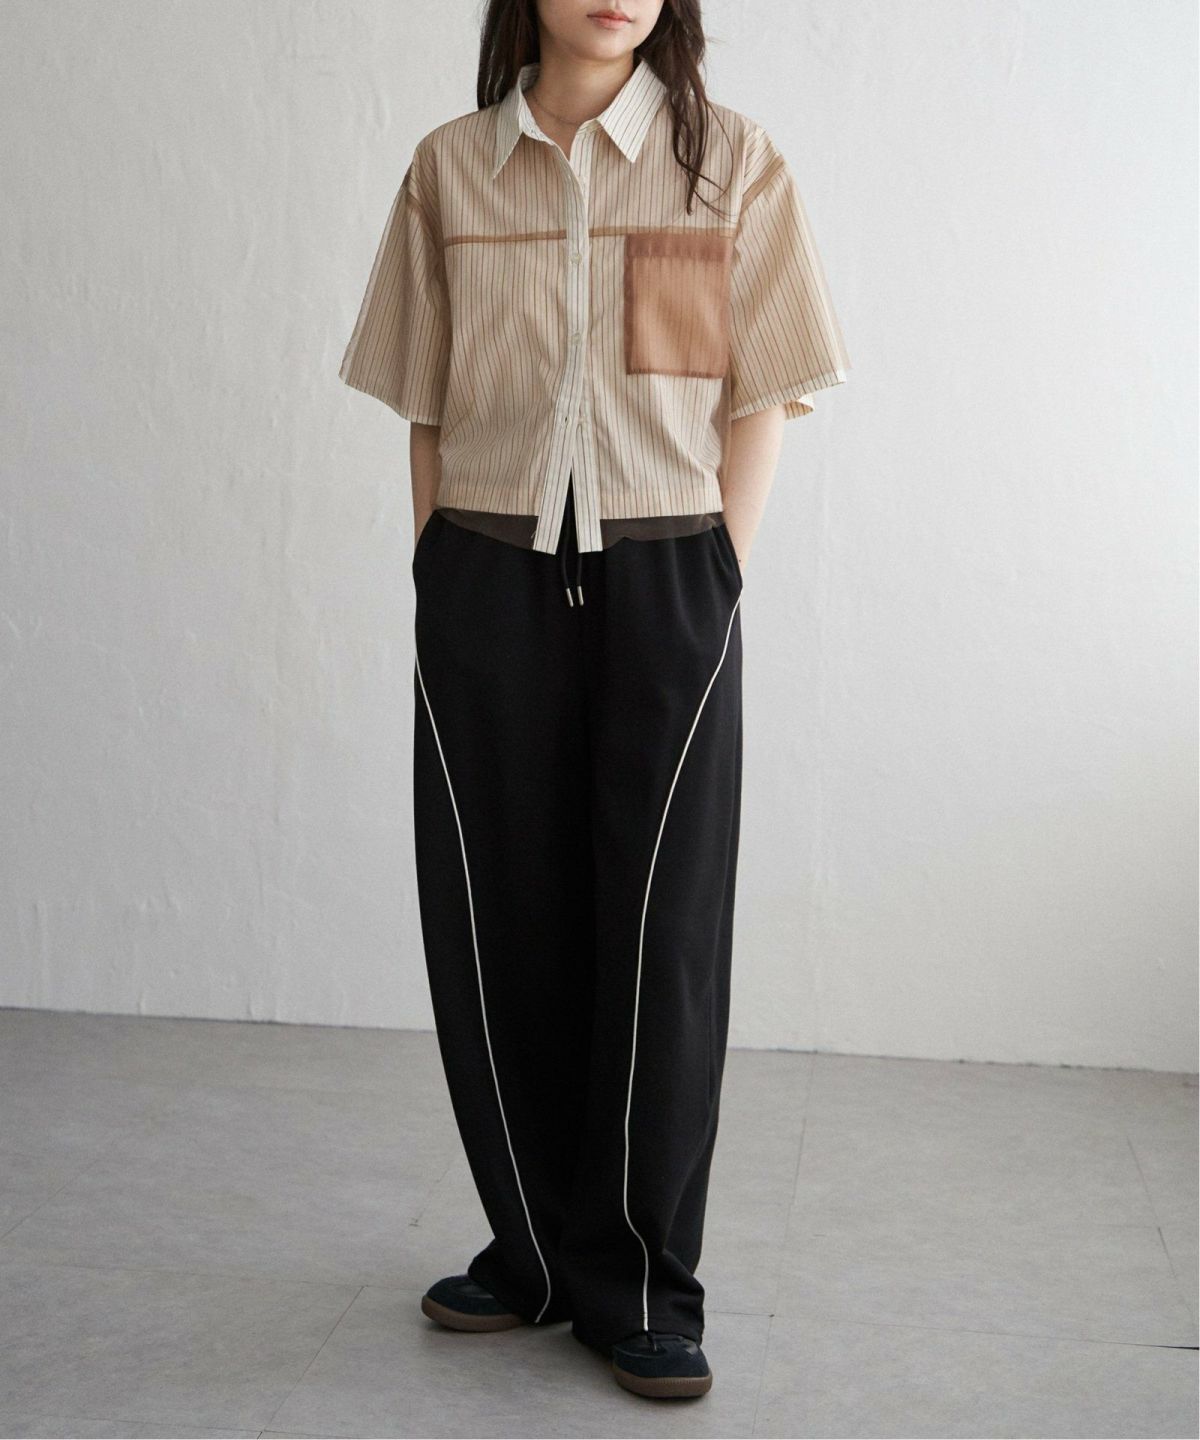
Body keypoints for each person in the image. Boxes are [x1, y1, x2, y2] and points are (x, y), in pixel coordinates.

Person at [338, 0, 850, 1401]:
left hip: (668, 567)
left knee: (660, 930)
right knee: (500, 911)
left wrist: (721, 566)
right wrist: (439, 560)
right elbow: (424, 398)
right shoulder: (450, 169)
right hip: (486, 568)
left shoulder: (729, 164)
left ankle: (644, 1284)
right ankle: (533, 1255)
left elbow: (765, 388)